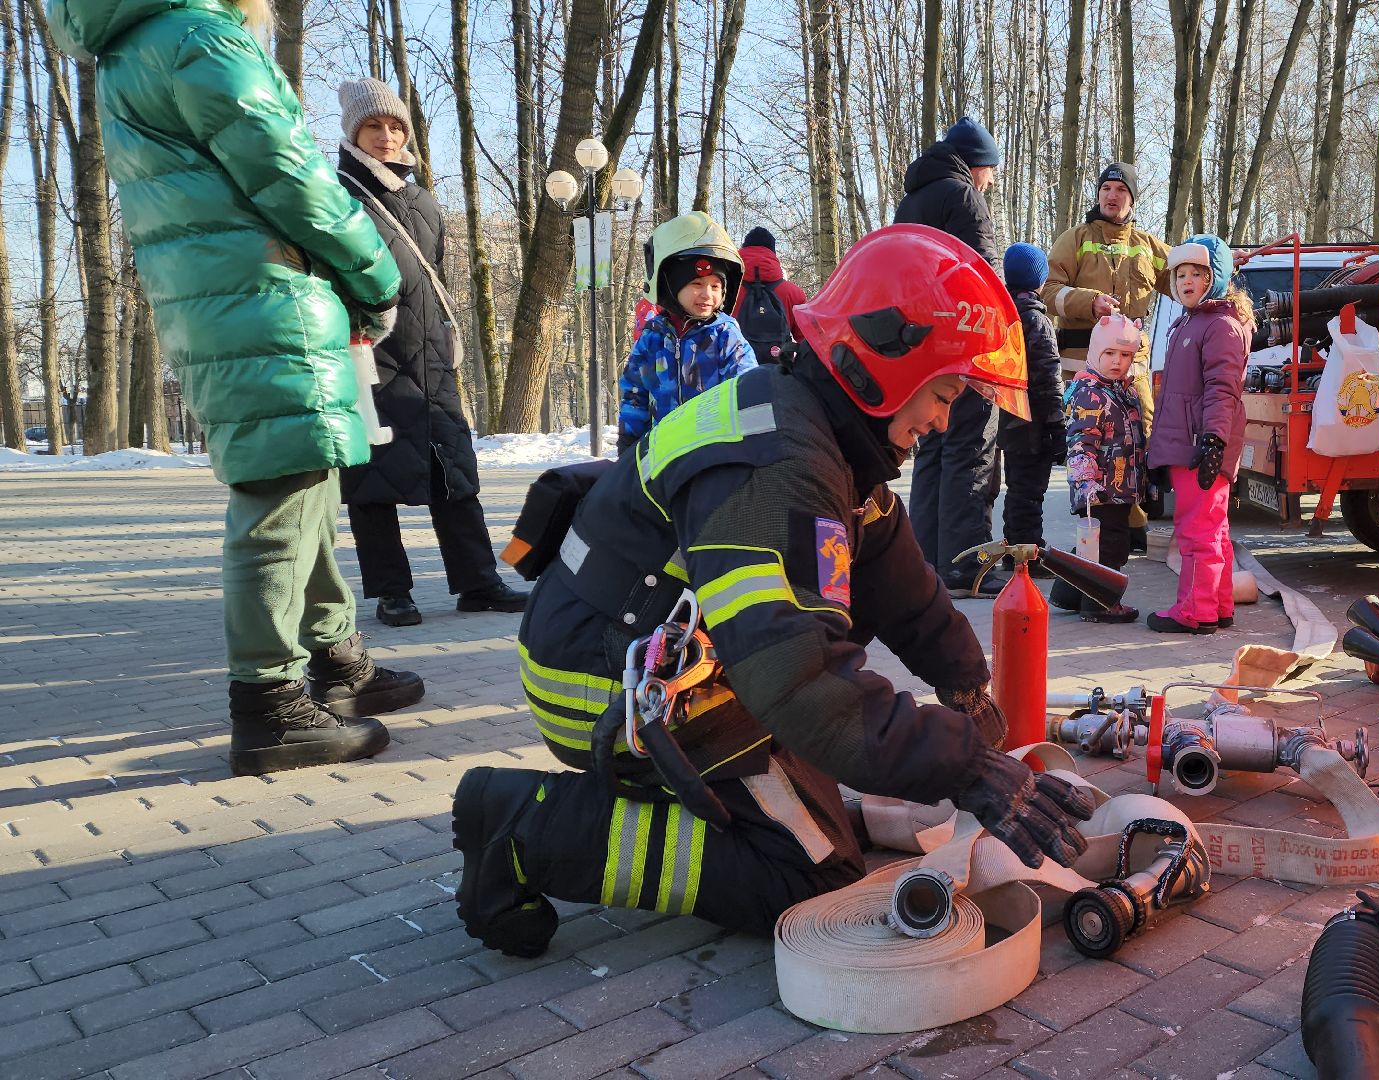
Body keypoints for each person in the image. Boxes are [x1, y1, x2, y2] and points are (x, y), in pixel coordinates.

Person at [451, 225, 1093, 951]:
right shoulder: (782, 469)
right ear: (886, 363)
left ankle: (720, 799)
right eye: (945, 391)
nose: (945, 418)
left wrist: (967, 690)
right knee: (807, 870)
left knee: (824, 792)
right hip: (600, 685)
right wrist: (966, 767)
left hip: (665, 651)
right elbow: (801, 682)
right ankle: (525, 828)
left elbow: (896, 577)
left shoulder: (825, 433)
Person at [50, 0, 423, 774]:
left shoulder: (134, 45)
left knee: (306, 483)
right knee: (282, 496)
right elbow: (287, 171)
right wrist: (377, 273)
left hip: (219, 292)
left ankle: (338, 663)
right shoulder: (196, 34)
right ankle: (271, 707)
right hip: (266, 291)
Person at [332, 79, 527, 628]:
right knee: (373, 475)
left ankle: (477, 580)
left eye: (396, 127)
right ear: (353, 133)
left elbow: (433, 273)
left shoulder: (423, 201)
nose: (387, 137)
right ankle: (391, 591)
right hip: (367, 352)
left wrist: (443, 335)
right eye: (374, 127)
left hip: (430, 355)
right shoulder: (335, 195)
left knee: (454, 468)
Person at [895, 116, 1007, 595]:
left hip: (922, 347)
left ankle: (927, 565)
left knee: (934, 448)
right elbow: (984, 272)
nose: (992, 181)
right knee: (971, 447)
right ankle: (966, 566)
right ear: (977, 163)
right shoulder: (964, 197)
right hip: (964, 343)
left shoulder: (911, 201)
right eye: (991, 171)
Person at [1040, 163, 1171, 553]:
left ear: (1132, 198)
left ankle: (1132, 525)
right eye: (1106, 188)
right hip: (1084, 364)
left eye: (1120, 190)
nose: (1112, 196)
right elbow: (1048, 290)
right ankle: (1096, 529)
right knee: (1093, 446)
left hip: (1134, 366)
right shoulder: (1076, 239)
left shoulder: (1148, 246)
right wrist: (1089, 301)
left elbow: (1188, 275)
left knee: (1136, 441)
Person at [1147, 236, 1253, 635]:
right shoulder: (1190, 322)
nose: (1187, 281)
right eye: (1181, 274)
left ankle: (1195, 612)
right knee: (1213, 529)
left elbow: (1222, 390)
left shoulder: (1221, 326)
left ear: (1217, 277)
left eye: (1197, 273)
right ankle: (1218, 605)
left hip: (1201, 445)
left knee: (1197, 531)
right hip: (1189, 443)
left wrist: (1213, 441)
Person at [617, 212, 755, 452]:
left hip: (714, 452)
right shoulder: (653, 339)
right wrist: (629, 445)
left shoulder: (725, 337)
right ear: (671, 286)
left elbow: (747, 389)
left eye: (715, 286)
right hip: (663, 452)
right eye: (696, 284)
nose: (707, 295)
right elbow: (635, 394)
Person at [1052, 315, 1146, 623]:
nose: (1117, 361)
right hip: (1100, 489)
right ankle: (1100, 604)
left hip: (1119, 487)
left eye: (1125, 355)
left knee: (1094, 544)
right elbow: (1081, 442)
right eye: (1110, 354)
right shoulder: (1090, 393)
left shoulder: (1122, 391)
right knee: (1109, 547)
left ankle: (1069, 594)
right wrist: (1087, 482)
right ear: (1095, 352)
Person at [999, 243, 1066, 565]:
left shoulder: (1001, 316)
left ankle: (1016, 549)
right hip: (1033, 422)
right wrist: (1057, 425)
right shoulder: (1037, 321)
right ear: (1040, 281)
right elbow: (1048, 376)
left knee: (1017, 489)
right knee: (1030, 493)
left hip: (1008, 420)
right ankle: (1026, 554)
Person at [732, 226, 809, 366]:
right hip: (780, 377)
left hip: (735, 378)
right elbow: (807, 341)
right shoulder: (793, 293)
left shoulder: (724, 290)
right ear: (773, 253)